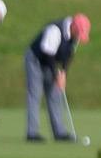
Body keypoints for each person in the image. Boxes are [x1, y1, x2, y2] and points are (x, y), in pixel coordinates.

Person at [23, 13, 86, 143]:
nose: (79, 36)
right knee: (35, 93)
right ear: (73, 25)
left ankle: (59, 132)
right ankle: (32, 133)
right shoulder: (55, 30)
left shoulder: (75, 36)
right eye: (79, 32)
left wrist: (63, 74)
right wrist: (56, 74)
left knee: (55, 94)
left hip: (49, 60)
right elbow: (48, 54)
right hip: (35, 59)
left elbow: (68, 56)